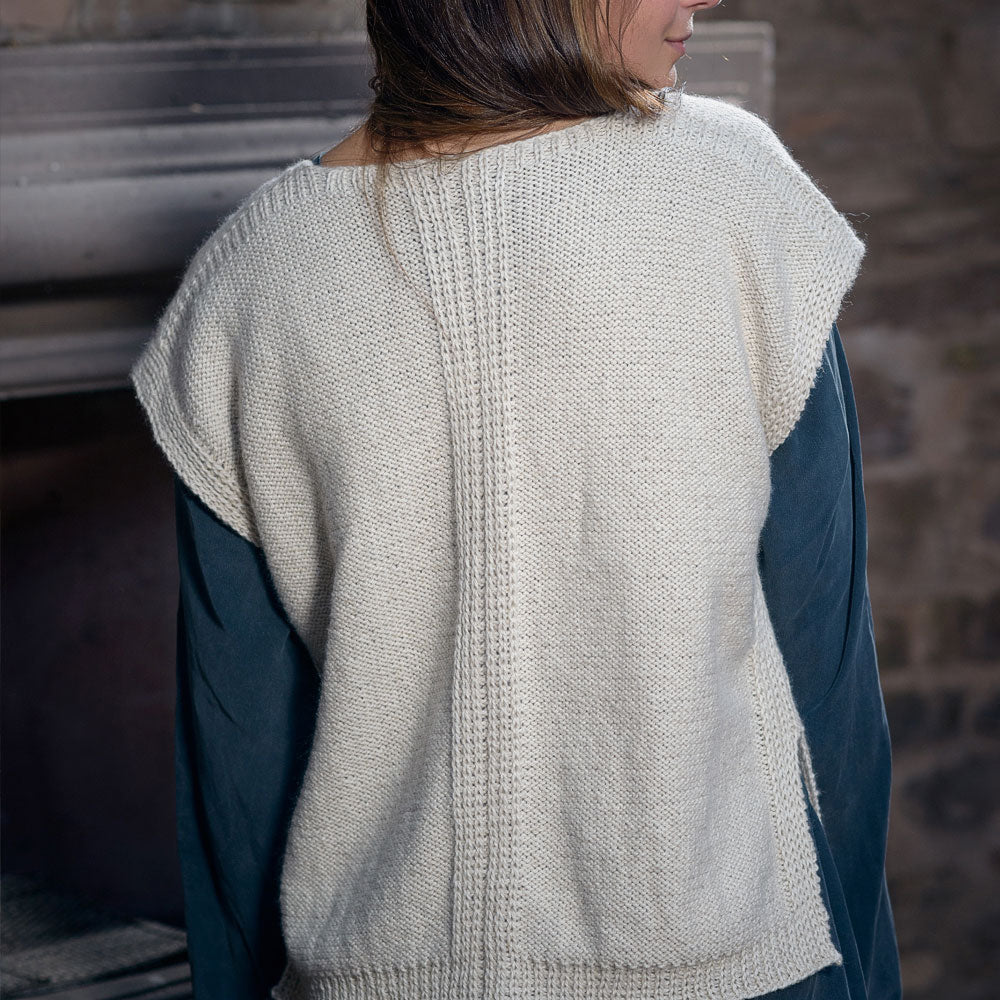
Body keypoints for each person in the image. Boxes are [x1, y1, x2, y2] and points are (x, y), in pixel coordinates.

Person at [131, 1, 904, 998]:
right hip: (734, 965)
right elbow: (828, 691)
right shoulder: (732, 192)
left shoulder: (249, 281)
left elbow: (239, 767)